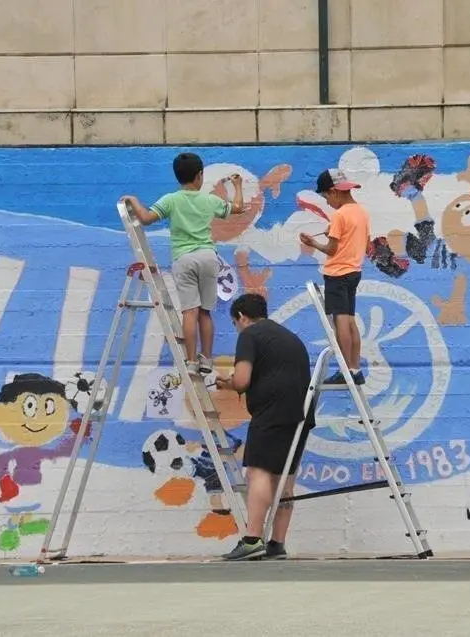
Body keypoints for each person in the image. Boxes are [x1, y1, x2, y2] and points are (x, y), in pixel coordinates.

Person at [121, 152, 245, 376]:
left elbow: (146, 218)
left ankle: (190, 361)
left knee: (190, 311)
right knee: (205, 312)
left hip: (184, 258)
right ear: (199, 176)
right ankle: (206, 359)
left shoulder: (171, 199)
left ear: (178, 176)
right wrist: (238, 186)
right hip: (208, 257)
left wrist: (133, 200)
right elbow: (238, 208)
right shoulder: (209, 200)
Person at [215, 293, 314, 560]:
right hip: (300, 413)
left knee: (257, 474)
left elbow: (243, 380)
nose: (237, 328)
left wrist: (229, 383)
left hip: (271, 412)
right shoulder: (287, 337)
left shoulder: (250, 335)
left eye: (235, 323)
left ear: (241, 317)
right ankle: (276, 544)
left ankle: (251, 540)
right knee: (284, 480)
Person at [299, 168, 370, 385]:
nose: (327, 202)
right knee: (350, 320)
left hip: (337, 274)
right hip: (354, 272)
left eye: (325, 197)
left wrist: (312, 243)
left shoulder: (339, 215)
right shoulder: (361, 212)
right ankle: (355, 368)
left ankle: (345, 370)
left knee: (340, 321)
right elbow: (365, 243)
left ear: (333, 192)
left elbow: (331, 250)